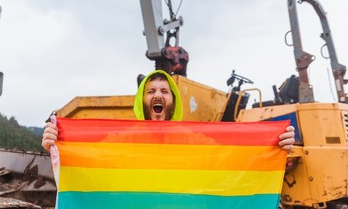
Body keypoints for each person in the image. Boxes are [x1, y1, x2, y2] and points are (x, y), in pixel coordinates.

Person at [42, 70, 295, 151]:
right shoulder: (123, 139)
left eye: (164, 91)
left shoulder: (192, 139)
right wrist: (57, 144)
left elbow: (228, 155)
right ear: (142, 101)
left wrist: (273, 145)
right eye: (150, 92)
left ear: (173, 101)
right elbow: (90, 157)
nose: (158, 95)